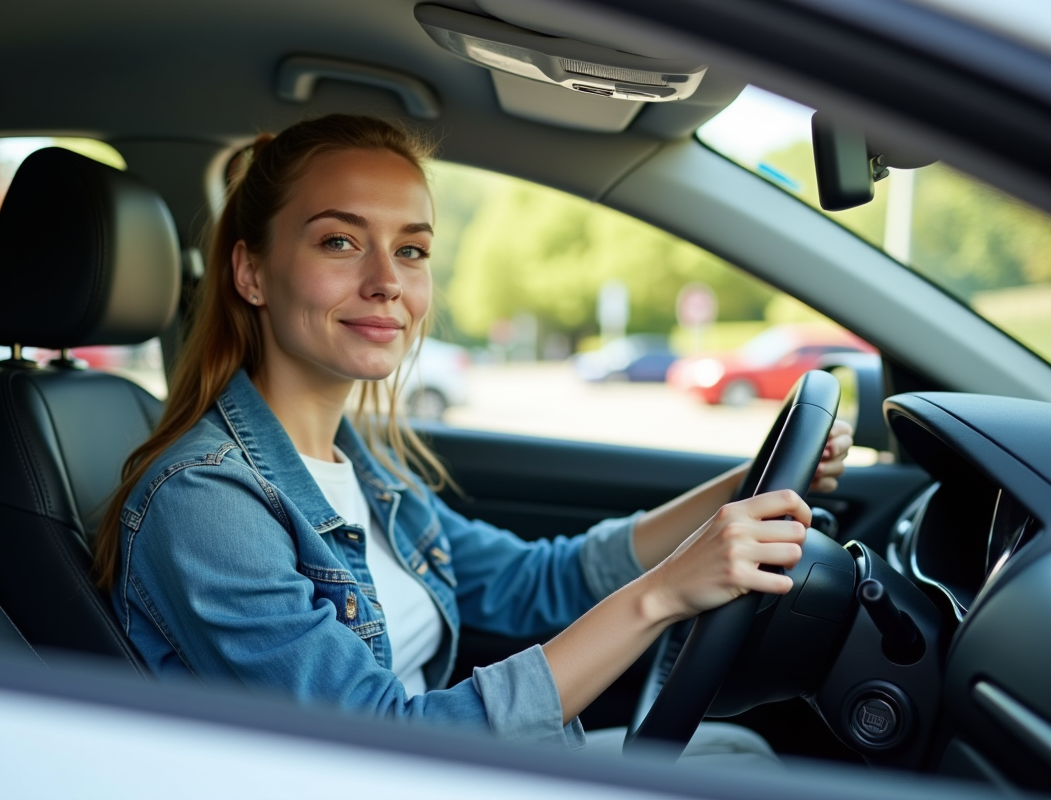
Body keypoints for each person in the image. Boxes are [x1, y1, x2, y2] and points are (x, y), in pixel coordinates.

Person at [94, 114, 853, 756]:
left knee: (735, 750)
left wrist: (745, 484)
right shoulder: (204, 502)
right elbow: (379, 746)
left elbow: (538, 582)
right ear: (251, 273)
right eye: (339, 241)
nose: (388, 280)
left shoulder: (361, 468)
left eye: (412, 249)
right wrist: (660, 598)